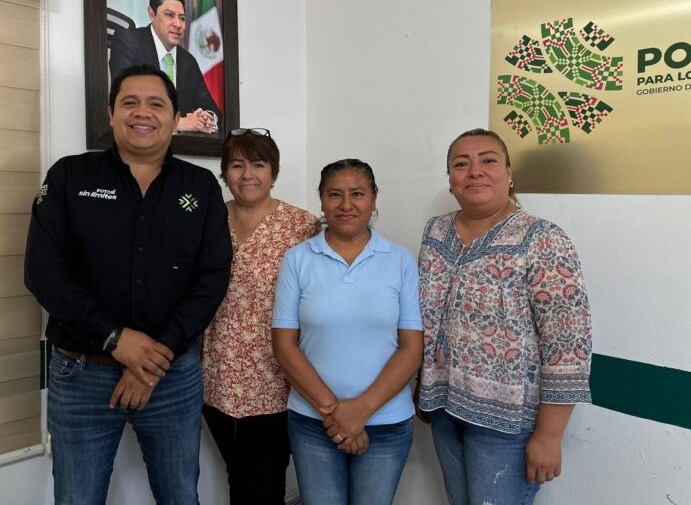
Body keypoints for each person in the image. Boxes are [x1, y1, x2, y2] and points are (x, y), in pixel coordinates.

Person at [24, 64, 233, 505]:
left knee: (180, 495)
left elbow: (212, 278)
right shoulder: (69, 177)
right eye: (130, 102)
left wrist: (153, 358)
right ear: (111, 113)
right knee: (76, 498)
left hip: (172, 375)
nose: (143, 112)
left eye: (156, 103)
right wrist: (115, 339)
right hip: (81, 374)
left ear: (174, 117)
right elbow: (43, 272)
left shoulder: (200, 186)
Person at [416, 128, 592, 505]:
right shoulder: (435, 231)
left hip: (507, 425)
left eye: (488, 160)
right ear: (450, 179)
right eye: (461, 164)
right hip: (443, 409)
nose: (474, 171)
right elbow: (428, 319)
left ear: (509, 172)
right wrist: (422, 385)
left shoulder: (543, 239)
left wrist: (549, 436)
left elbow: (567, 344)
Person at [272, 159, 423, 505]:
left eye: (357, 194)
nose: (346, 204)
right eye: (334, 194)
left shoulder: (400, 261)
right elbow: (284, 346)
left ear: (373, 198)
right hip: (313, 421)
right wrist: (335, 414)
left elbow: (411, 349)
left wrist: (361, 411)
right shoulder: (297, 259)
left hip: (386, 422)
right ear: (322, 200)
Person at [201, 127, 319, 504]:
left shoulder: (302, 226)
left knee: (267, 480)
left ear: (274, 172)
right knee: (237, 474)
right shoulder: (207, 220)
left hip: (277, 377)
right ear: (225, 172)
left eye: (258, 164)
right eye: (237, 165)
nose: (247, 174)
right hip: (216, 376)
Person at [109, 0, 221, 134]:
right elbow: (126, 100)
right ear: (152, 14)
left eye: (182, 18)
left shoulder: (188, 60)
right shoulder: (128, 41)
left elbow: (211, 107)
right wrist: (179, 124)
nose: (178, 24)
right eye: (169, 15)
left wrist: (207, 118)